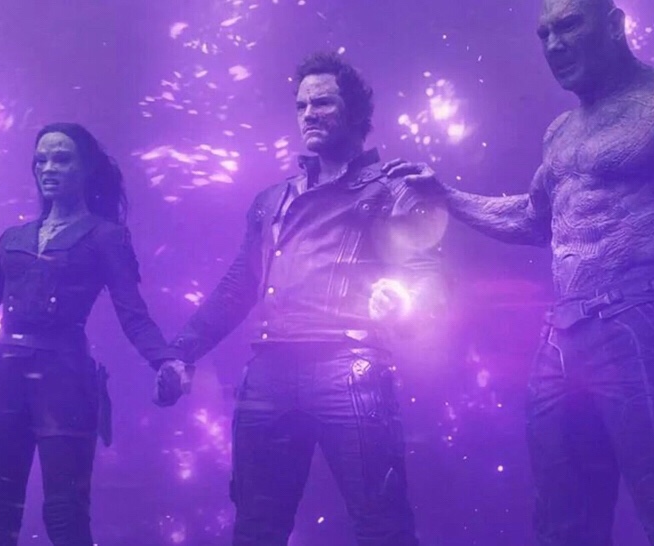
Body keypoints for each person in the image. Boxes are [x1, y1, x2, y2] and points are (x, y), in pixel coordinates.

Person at [383, 0, 654, 544]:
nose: (554, 45)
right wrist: (448, 196)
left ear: (614, 24)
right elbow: (535, 219)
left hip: (646, 318)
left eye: (568, 25)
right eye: (544, 33)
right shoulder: (560, 132)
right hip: (561, 336)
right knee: (563, 526)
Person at [153, 52, 444, 546]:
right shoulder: (272, 200)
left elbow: (426, 274)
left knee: (382, 525)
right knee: (256, 529)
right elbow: (239, 285)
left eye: (323, 102)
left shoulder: (392, 187)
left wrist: (402, 301)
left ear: (354, 111)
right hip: (270, 371)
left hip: (349, 367)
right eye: (302, 105)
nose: (309, 113)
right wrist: (181, 351)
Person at [0, 122, 178, 545]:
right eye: (41, 160)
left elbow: (132, 313)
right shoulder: (15, 237)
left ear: (86, 169)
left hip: (63, 378)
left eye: (61, 159)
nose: (48, 168)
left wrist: (164, 360)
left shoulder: (105, 236)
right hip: (5, 377)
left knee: (65, 512)